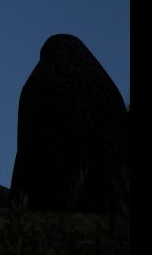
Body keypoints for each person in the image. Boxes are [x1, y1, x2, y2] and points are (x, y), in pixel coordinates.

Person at [9, 34, 129, 214]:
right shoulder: (109, 89)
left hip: (50, 194)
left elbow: (27, 145)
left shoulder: (39, 80)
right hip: (109, 197)